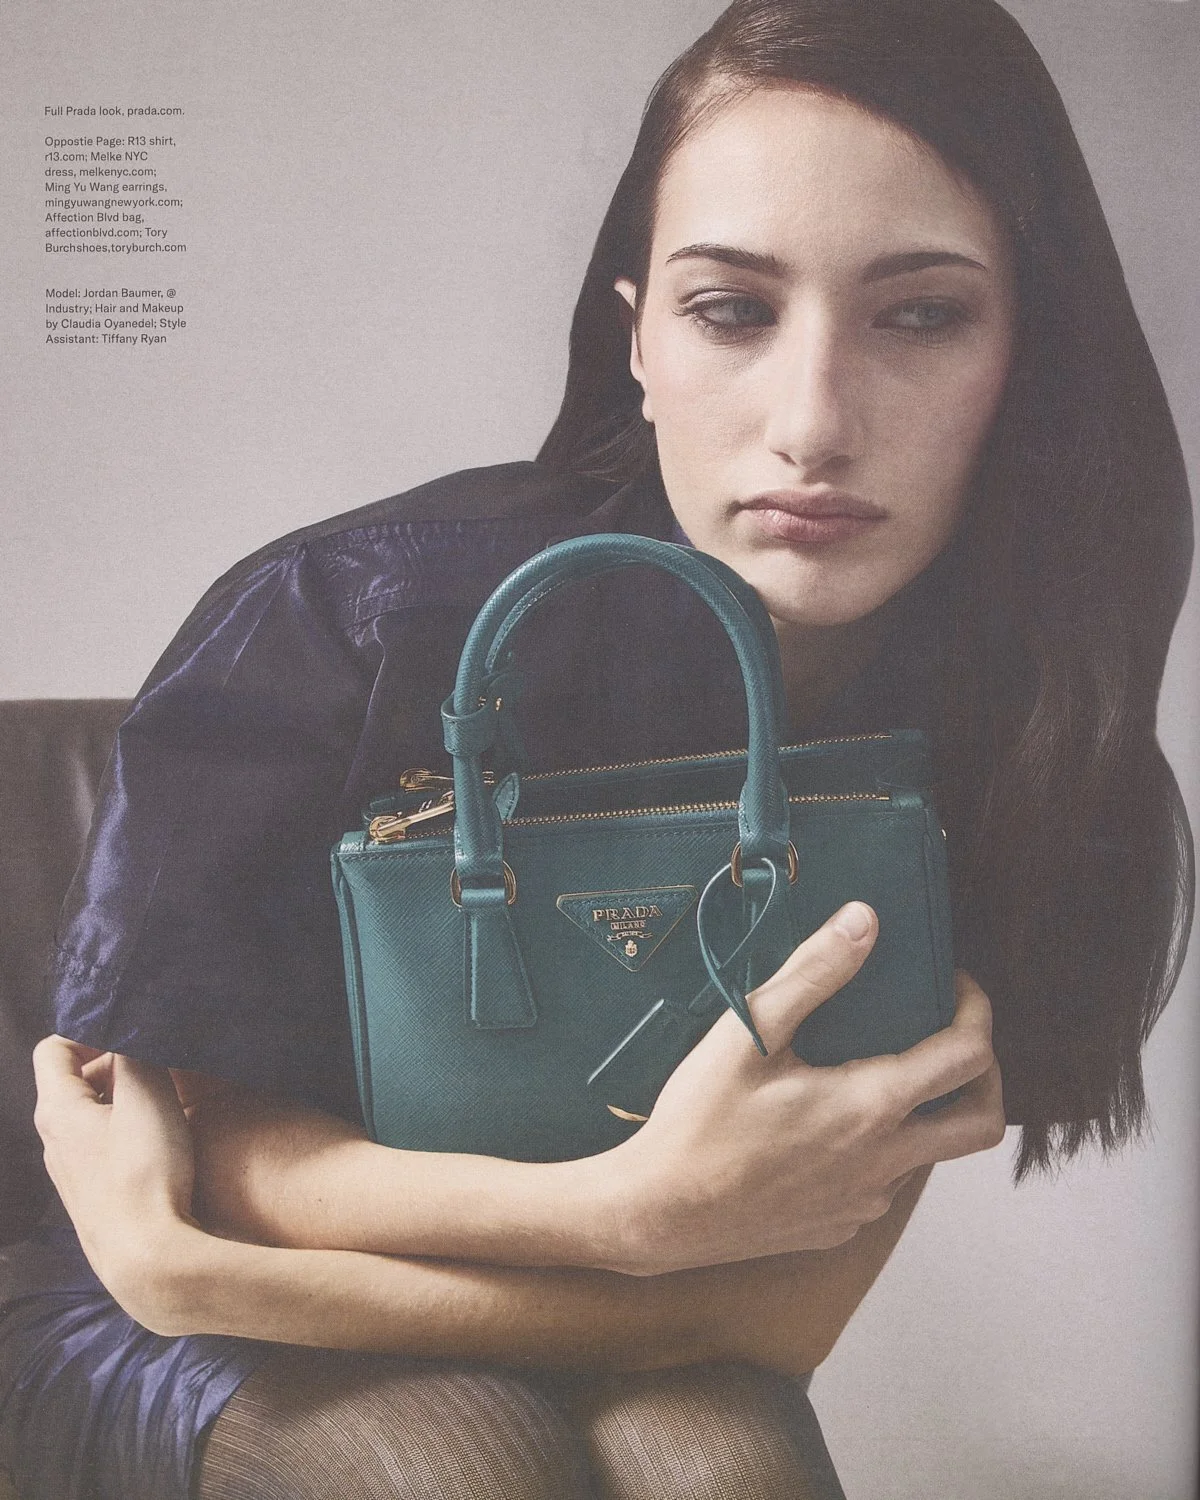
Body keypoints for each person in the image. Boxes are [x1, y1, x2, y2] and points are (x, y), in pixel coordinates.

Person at [5, 0, 1193, 1497]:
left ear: (1028, 353)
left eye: (920, 314)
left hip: (484, 1303)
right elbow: (206, 1177)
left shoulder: (1012, 733)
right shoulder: (347, 622)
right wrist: (620, 1219)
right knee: (466, 1467)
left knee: (727, 1462)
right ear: (635, 333)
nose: (814, 423)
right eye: (733, 310)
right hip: (148, 1338)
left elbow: (776, 1310)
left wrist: (633, 1238)